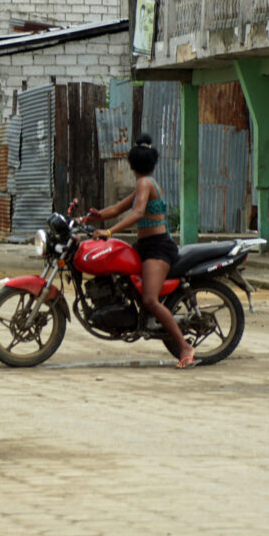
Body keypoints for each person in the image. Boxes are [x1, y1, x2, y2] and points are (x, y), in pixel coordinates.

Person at [84, 133, 197, 369]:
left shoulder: (145, 183)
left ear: (132, 164)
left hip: (158, 248)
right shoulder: (144, 184)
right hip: (145, 247)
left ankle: (185, 347)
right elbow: (116, 208)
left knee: (150, 299)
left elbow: (136, 214)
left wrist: (109, 232)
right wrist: (85, 218)